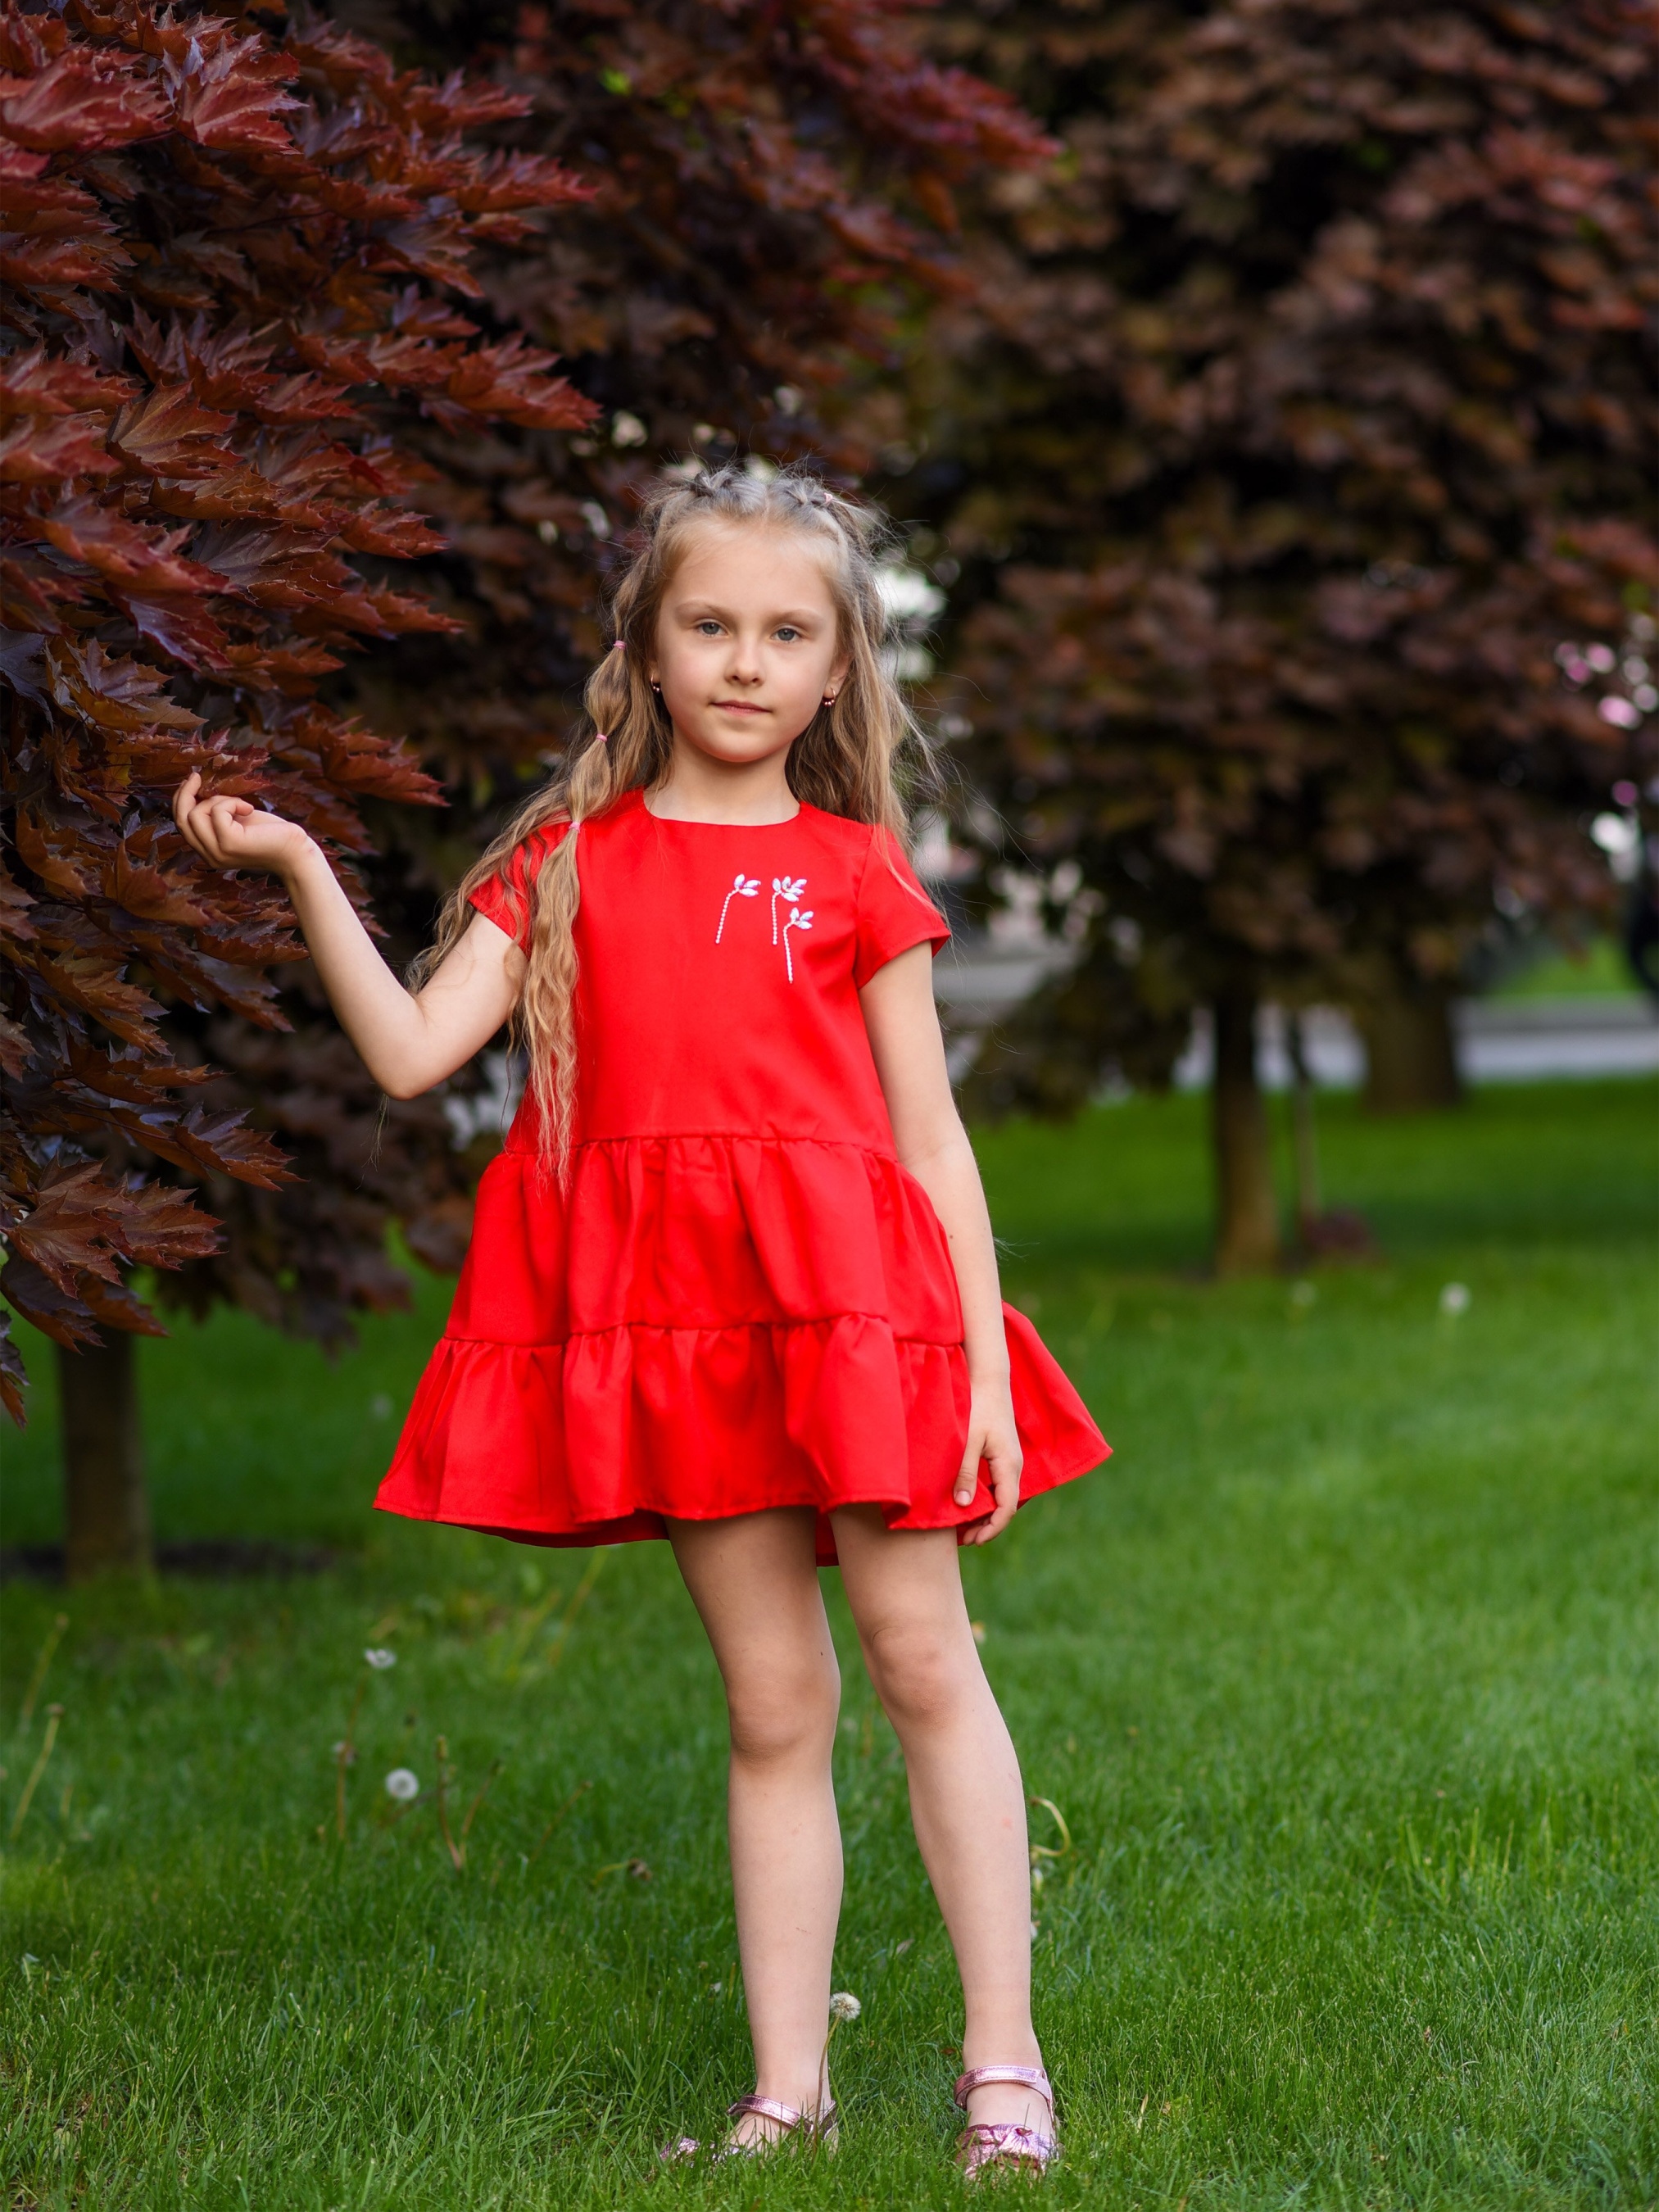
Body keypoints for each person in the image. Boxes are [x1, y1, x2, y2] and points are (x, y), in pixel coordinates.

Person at [174, 461, 1108, 2178]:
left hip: (856, 1312)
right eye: (711, 625)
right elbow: (410, 1055)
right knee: (773, 1703)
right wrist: (301, 863)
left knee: (921, 1661)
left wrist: (982, 1368)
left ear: (837, 670)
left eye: (786, 634)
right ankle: (787, 2093)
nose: (746, 662)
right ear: (649, 649)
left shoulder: (851, 871)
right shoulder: (567, 864)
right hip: (681, 1328)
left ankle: (1004, 2067)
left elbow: (929, 1143)